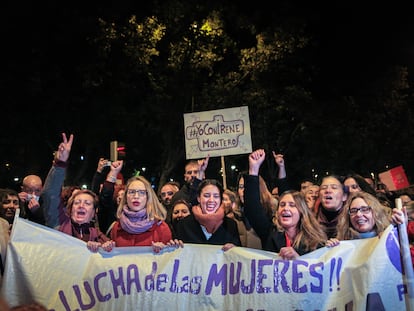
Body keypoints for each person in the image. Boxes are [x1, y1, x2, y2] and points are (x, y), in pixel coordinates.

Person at [243, 149, 327, 259]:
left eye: (292, 205)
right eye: (282, 205)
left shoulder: (316, 240)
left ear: (302, 211)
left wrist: (298, 259)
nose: (285, 208)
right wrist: (253, 169)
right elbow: (252, 209)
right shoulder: (270, 233)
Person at [110, 175, 182, 253]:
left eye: (141, 192)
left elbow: (168, 261)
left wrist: (165, 251)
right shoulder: (116, 228)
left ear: (148, 197)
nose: (136, 196)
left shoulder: (161, 228)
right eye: (131, 192)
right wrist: (107, 249)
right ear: (126, 196)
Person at [173, 179, 241, 251]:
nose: (211, 200)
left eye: (216, 196)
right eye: (206, 196)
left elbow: (239, 255)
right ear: (199, 198)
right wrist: (174, 246)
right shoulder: (184, 225)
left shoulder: (231, 225)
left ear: (220, 199)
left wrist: (234, 249)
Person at [326, 191, 391, 246]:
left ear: (376, 212)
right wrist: (332, 250)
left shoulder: (390, 236)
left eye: (364, 209)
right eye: (353, 211)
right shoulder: (342, 243)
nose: (358, 214)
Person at [315, 174, 348, 239]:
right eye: (323, 188)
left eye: (334, 187)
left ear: (344, 196)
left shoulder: (351, 220)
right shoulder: (310, 221)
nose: (328, 191)